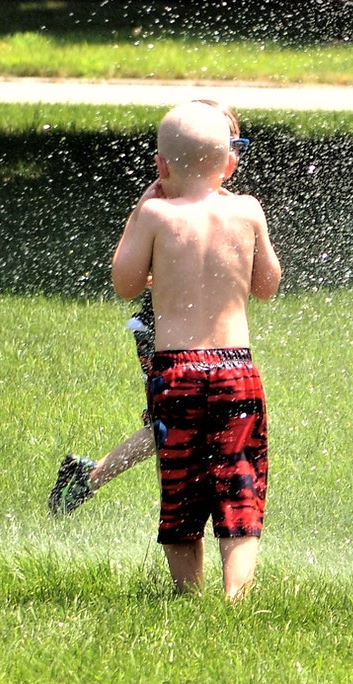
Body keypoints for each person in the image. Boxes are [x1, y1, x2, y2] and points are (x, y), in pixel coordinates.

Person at [110, 101, 283, 599]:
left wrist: (138, 215)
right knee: (239, 479)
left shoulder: (157, 214)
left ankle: (189, 594)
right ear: (229, 162)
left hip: (176, 371)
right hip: (236, 371)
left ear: (161, 166)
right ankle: (236, 597)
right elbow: (267, 285)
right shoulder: (247, 210)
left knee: (181, 482)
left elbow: (125, 283)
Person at [49, 104, 252, 517]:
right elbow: (132, 274)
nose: (232, 155)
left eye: (234, 146)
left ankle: (88, 478)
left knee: (178, 425)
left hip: (200, 342)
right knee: (173, 425)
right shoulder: (166, 201)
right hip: (161, 330)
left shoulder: (228, 206)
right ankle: (95, 483)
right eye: (230, 145)